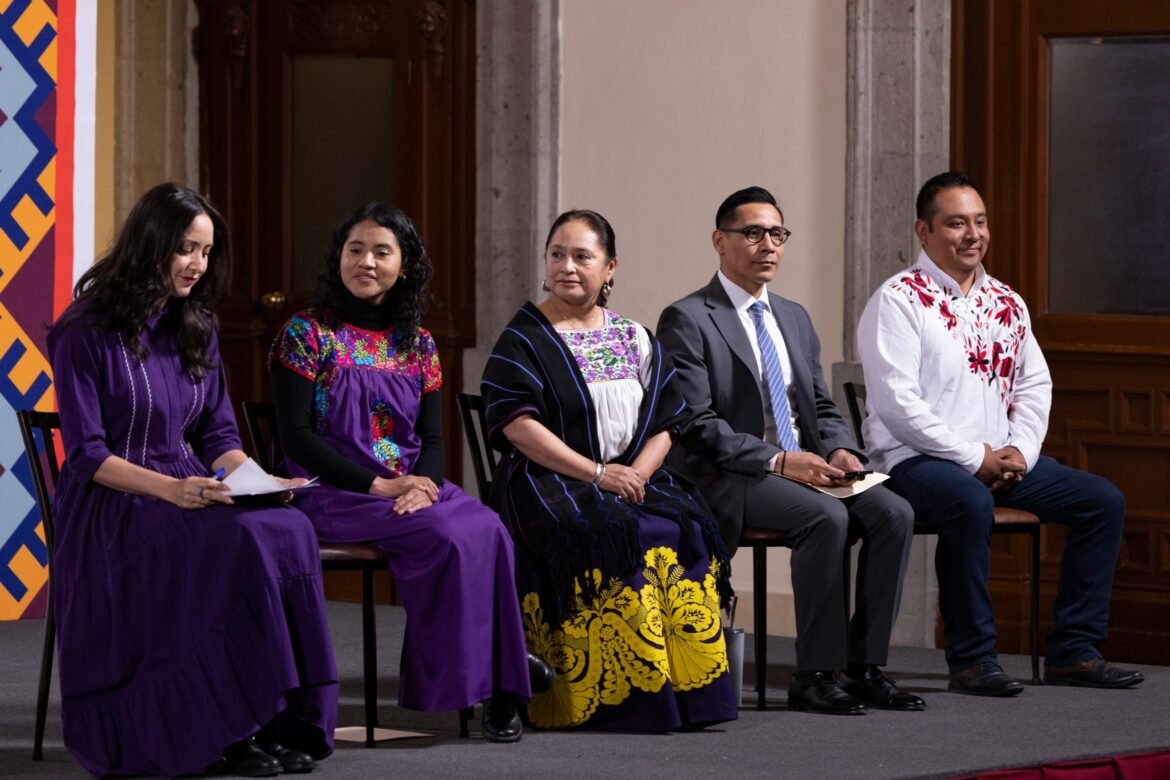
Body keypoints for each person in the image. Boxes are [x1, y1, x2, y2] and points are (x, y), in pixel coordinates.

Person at [47, 183, 337, 778]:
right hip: (115, 504)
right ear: (149, 243)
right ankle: (224, 730)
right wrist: (172, 490)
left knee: (288, 528)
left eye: (205, 252)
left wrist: (259, 480)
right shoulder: (84, 329)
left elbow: (218, 437)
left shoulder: (196, 324)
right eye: (185, 248)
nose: (197, 265)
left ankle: (271, 717)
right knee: (237, 540)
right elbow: (87, 456)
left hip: (191, 490)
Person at [856, 171, 1143, 696]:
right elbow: (898, 406)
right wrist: (974, 458)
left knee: (1102, 501)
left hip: (1001, 460)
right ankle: (972, 660)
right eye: (956, 223)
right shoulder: (898, 300)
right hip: (913, 460)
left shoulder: (1006, 301)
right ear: (923, 231)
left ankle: (1074, 651)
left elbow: (1035, 384)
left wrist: (1020, 452)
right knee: (968, 501)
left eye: (980, 222)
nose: (973, 235)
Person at [268, 202, 536, 743]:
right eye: (355, 249)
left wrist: (427, 485)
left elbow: (433, 440)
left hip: (409, 486)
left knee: (490, 529)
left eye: (381, 252)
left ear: (404, 264)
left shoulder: (420, 344)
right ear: (338, 258)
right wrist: (380, 484)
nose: (366, 261)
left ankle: (502, 686)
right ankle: (483, 681)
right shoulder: (307, 333)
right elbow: (296, 438)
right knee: (447, 536)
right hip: (334, 489)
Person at [656, 186, 919, 716]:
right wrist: (778, 460)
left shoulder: (793, 317)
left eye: (777, 234)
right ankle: (815, 675)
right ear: (720, 241)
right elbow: (697, 424)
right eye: (753, 233)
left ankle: (864, 668)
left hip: (809, 467)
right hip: (736, 475)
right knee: (825, 517)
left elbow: (819, 405)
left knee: (894, 512)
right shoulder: (688, 317)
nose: (768, 245)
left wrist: (841, 449)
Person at [481, 209, 737, 731]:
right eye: (557, 255)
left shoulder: (633, 336)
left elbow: (668, 420)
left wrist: (635, 474)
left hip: (630, 476)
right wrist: (598, 474)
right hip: (548, 480)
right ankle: (615, 696)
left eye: (582, 256)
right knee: (613, 531)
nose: (567, 267)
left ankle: (689, 696)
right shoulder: (524, 338)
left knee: (685, 525)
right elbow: (516, 426)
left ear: (610, 267)